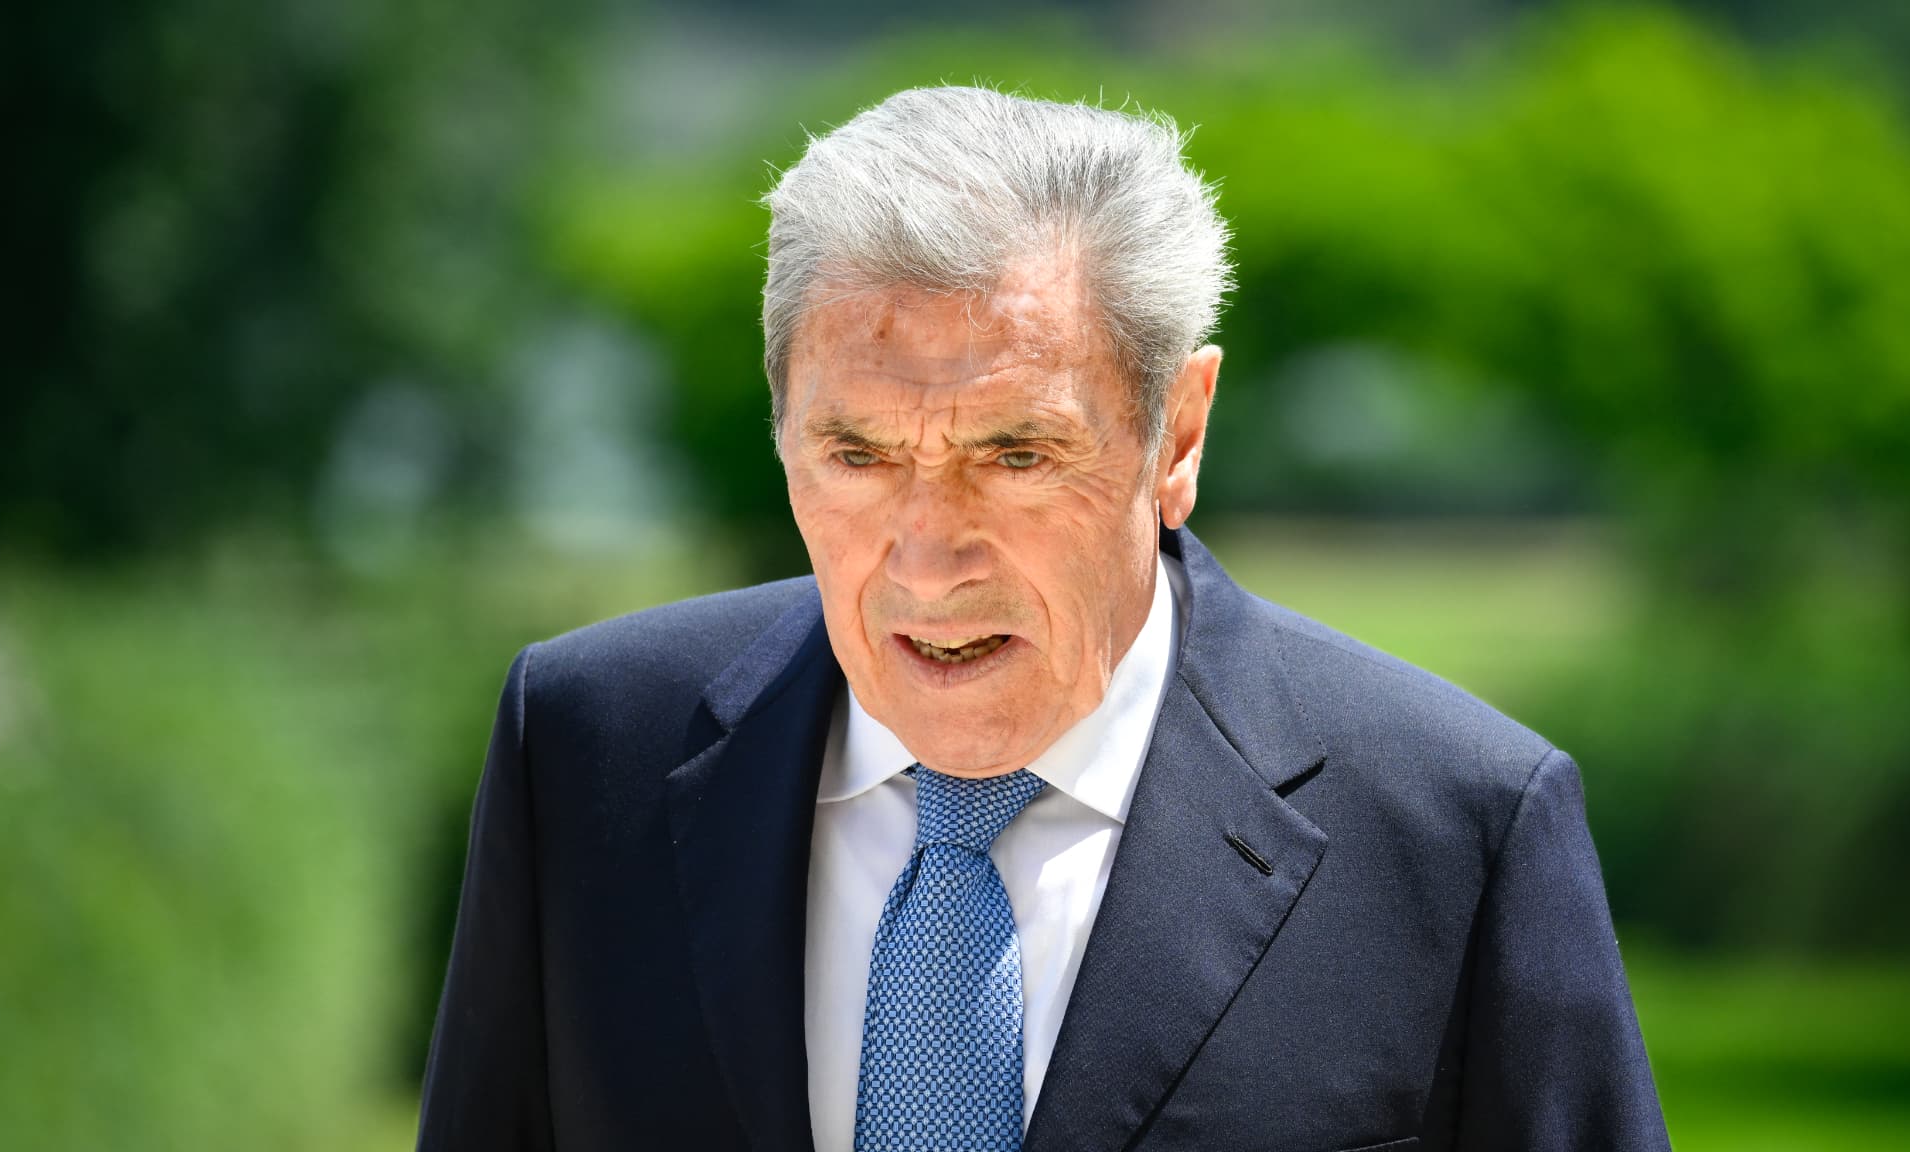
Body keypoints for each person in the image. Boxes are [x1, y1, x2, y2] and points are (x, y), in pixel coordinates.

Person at [415, 86, 1670, 1152]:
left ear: (1176, 435)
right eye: (855, 455)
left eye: (1015, 454)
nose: (928, 560)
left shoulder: (1461, 830)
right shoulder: (582, 750)